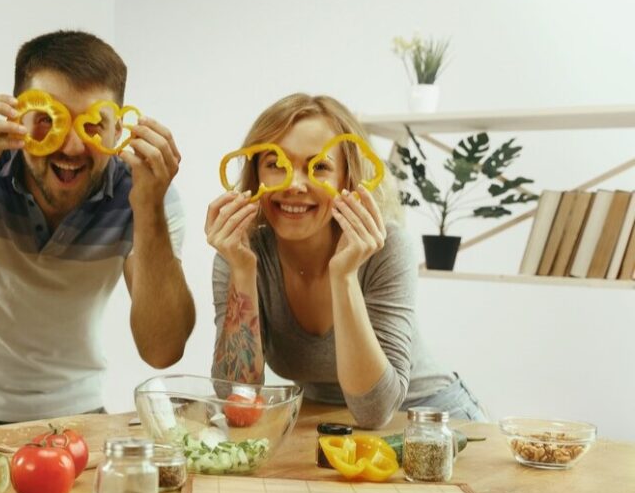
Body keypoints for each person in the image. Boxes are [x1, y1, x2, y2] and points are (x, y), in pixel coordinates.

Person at [0, 30, 196, 433]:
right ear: (17, 116)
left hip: (76, 416)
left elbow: (162, 349)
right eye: (48, 119)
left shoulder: (150, 195)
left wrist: (147, 209)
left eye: (92, 126)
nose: (70, 147)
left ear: (119, 131)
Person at [206, 93, 485, 428]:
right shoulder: (241, 254)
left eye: (320, 166)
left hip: (431, 421)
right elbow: (237, 401)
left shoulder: (387, 248)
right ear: (256, 175)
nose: (294, 184)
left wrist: (344, 276)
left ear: (347, 180)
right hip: (329, 424)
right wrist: (241, 270)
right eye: (276, 164)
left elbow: (375, 411)